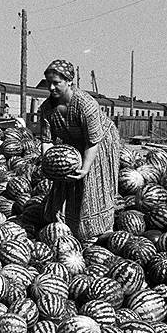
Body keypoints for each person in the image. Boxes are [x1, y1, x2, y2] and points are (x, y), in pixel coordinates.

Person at [38, 59, 120, 239]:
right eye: (48, 83)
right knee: (64, 180)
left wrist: (85, 168)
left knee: (91, 183)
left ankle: (100, 230)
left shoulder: (86, 104)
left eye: (56, 83)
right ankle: (64, 225)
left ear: (69, 81)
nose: (51, 88)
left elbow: (93, 142)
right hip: (74, 143)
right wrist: (50, 165)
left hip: (100, 142)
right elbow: (47, 141)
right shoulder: (46, 108)